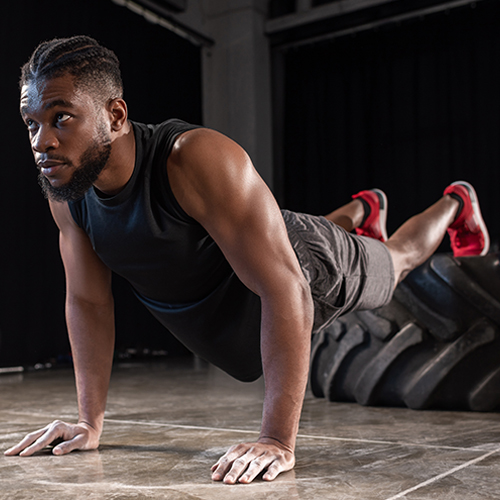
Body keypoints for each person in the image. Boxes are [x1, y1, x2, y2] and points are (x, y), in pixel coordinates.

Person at [4, 36, 489, 484]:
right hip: (254, 266)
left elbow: (287, 288)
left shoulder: (193, 159)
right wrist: (90, 422)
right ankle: (363, 208)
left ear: (115, 115)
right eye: (31, 123)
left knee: (398, 261)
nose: (40, 141)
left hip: (309, 263)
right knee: (271, 239)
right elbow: (88, 301)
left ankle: (456, 205)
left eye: (61, 117)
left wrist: (277, 440)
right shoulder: (69, 194)